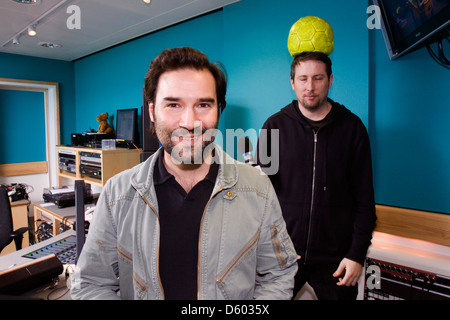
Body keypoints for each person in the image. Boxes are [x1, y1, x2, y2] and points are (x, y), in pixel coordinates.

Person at [70, 47, 298, 300]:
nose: (190, 122)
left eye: (203, 104)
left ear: (219, 109)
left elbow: (278, 274)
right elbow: (89, 283)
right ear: (152, 111)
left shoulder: (258, 189)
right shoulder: (117, 195)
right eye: (174, 104)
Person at [256, 51, 376, 300]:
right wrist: (271, 247)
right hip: (284, 257)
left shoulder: (352, 128)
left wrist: (356, 254)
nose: (310, 87)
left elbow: (364, 200)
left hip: (337, 260)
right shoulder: (273, 127)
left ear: (330, 80)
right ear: (292, 82)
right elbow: (259, 198)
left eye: (318, 78)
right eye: (303, 79)